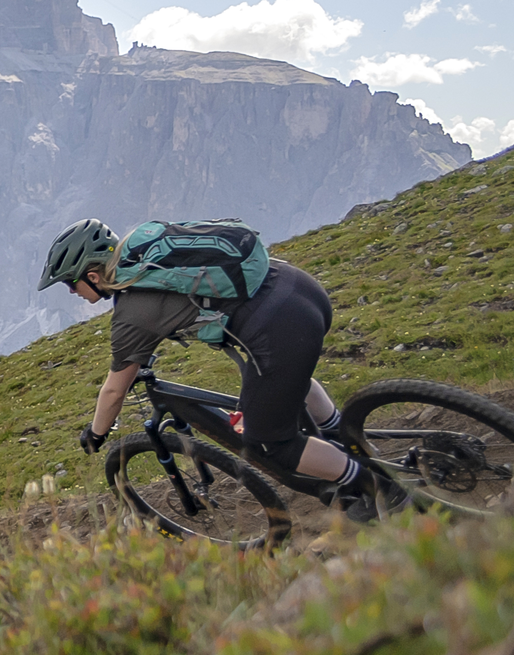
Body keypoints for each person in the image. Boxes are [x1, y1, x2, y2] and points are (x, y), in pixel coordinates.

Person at [38, 218, 400, 520]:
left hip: (283, 328)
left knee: (269, 441)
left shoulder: (132, 312)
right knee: (282, 382)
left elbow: (115, 390)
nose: (72, 292)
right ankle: (340, 436)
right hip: (298, 287)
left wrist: (97, 434)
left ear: (93, 276)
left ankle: (375, 486)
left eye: (72, 283)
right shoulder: (142, 245)